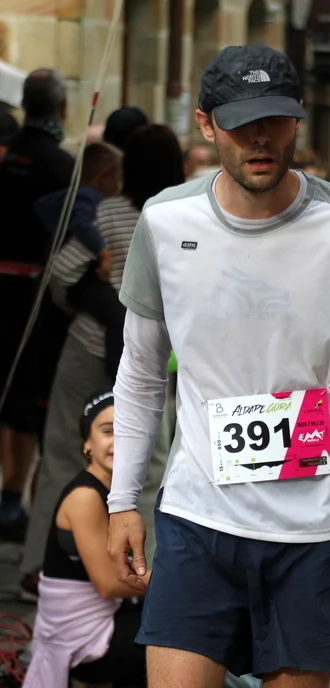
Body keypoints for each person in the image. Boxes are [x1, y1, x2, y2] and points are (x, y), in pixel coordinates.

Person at [108, 44, 330, 688]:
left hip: (318, 532)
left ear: (298, 118)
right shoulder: (164, 221)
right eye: (240, 121)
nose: (260, 137)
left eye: (275, 119)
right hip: (197, 522)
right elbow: (139, 373)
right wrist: (121, 500)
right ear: (205, 124)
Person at [19, 124, 184, 597]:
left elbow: (60, 273)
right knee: (151, 463)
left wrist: (87, 301)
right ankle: (144, 573)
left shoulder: (108, 212)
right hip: (153, 359)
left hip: (89, 348)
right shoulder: (181, 219)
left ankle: (39, 567)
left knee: (63, 454)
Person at [17, 391, 148, 688]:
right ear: (87, 443)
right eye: (108, 431)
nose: (118, 441)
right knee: (184, 629)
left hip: (102, 621)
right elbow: (109, 585)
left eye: (127, 430)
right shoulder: (86, 496)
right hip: (84, 641)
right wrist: (181, 583)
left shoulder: (114, 491)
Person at [0, 69, 74, 543]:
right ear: (62, 107)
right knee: (24, 398)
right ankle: (10, 500)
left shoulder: (5, 153)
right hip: (32, 295)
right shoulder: (62, 165)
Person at [35, 142, 124, 381]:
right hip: (77, 279)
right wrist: (103, 252)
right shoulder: (87, 197)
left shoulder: (74, 195)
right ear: (104, 176)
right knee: (118, 315)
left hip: (68, 281)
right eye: (118, 179)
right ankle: (115, 378)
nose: (120, 187)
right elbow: (81, 221)